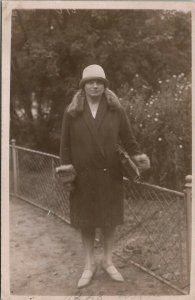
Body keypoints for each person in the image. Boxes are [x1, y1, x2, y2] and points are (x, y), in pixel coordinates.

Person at [59, 64, 149, 289]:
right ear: (83, 86)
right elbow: (65, 145)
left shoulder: (115, 109)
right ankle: (89, 265)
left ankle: (108, 261)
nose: (95, 85)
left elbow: (128, 138)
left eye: (99, 82)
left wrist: (138, 156)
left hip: (111, 176)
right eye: (91, 82)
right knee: (86, 222)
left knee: (110, 221)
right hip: (83, 177)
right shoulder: (72, 111)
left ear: (105, 85)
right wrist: (66, 169)